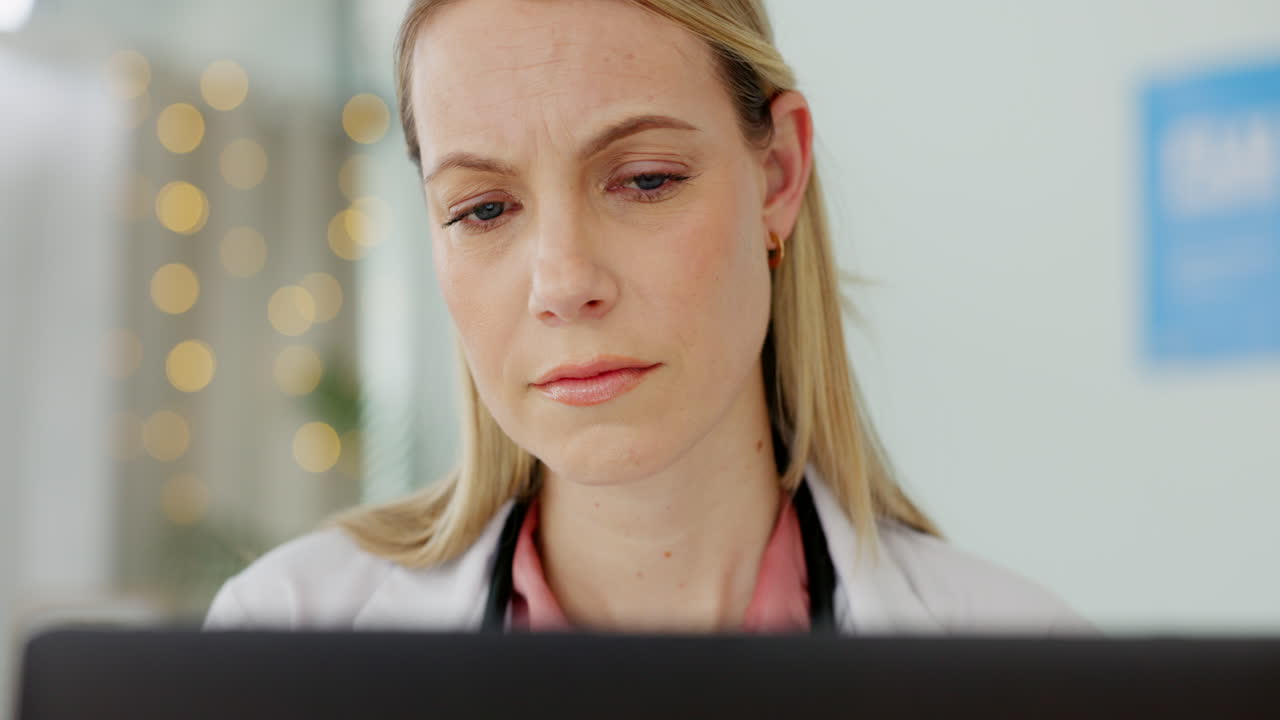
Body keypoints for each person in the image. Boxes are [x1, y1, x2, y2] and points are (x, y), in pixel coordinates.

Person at [205, 0, 1090, 635]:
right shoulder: (280, 638)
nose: (562, 282)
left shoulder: (1032, 666)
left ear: (777, 173)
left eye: (645, 181)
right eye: (483, 209)